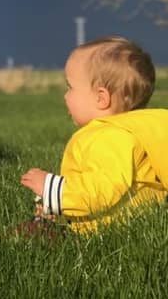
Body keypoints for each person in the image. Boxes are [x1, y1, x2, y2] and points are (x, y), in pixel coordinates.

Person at [20, 36, 168, 233]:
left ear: (101, 98)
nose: (65, 95)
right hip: (126, 223)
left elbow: (102, 189)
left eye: (70, 87)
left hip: (109, 228)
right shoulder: (131, 130)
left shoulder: (110, 137)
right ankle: (48, 219)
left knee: (26, 240)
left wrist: (50, 187)